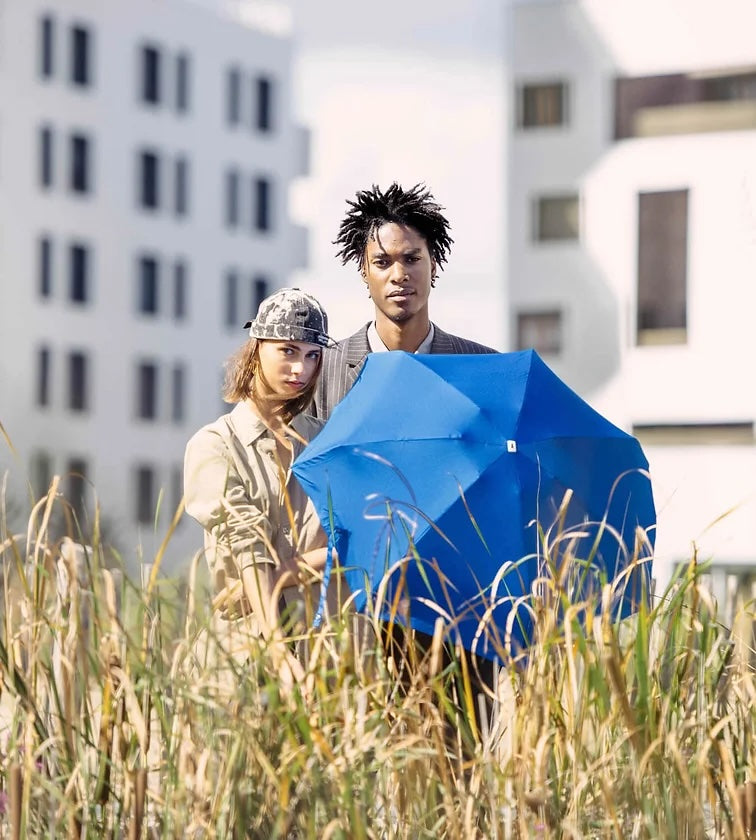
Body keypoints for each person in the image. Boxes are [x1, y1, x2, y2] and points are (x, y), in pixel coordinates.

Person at [184, 287, 340, 689]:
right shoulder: (214, 445)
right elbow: (246, 540)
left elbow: (354, 541)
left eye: (312, 355)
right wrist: (275, 647)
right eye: (287, 350)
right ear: (256, 350)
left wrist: (284, 574)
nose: (300, 369)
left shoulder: (328, 443)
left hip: (321, 657)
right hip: (241, 659)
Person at [314, 181, 497, 421]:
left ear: (433, 265)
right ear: (364, 271)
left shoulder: (484, 369)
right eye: (382, 262)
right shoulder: (320, 372)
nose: (399, 275)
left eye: (411, 259)